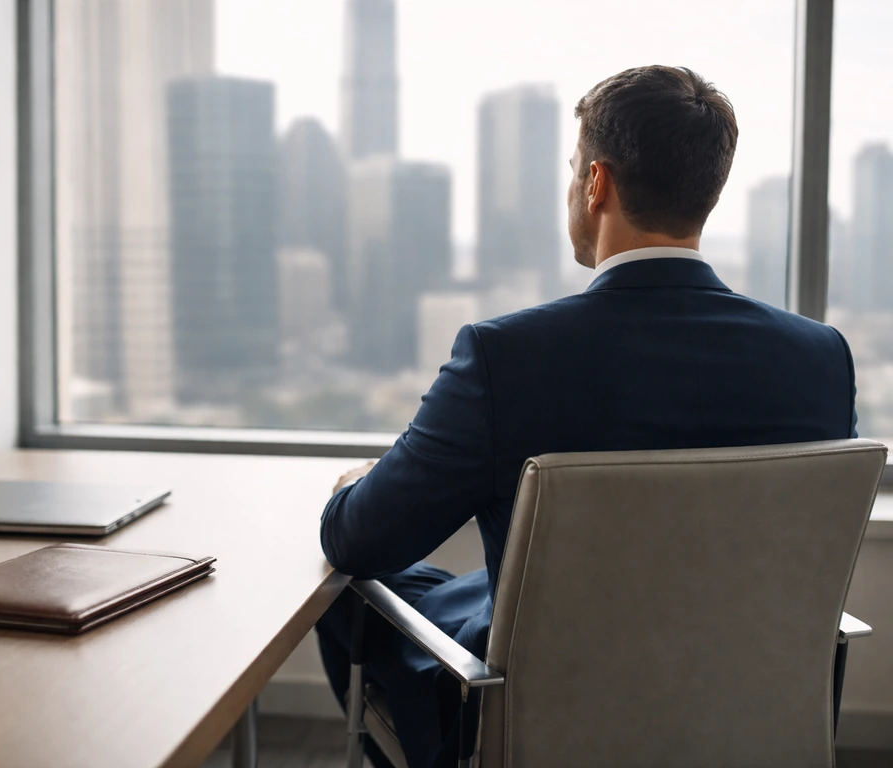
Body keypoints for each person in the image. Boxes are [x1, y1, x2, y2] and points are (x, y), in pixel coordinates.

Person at [316, 65, 858, 768]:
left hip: (537, 720)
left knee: (350, 589)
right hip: (741, 720)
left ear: (596, 184)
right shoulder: (820, 358)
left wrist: (349, 492)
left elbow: (360, 540)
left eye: (574, 170)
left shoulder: (505, 355)